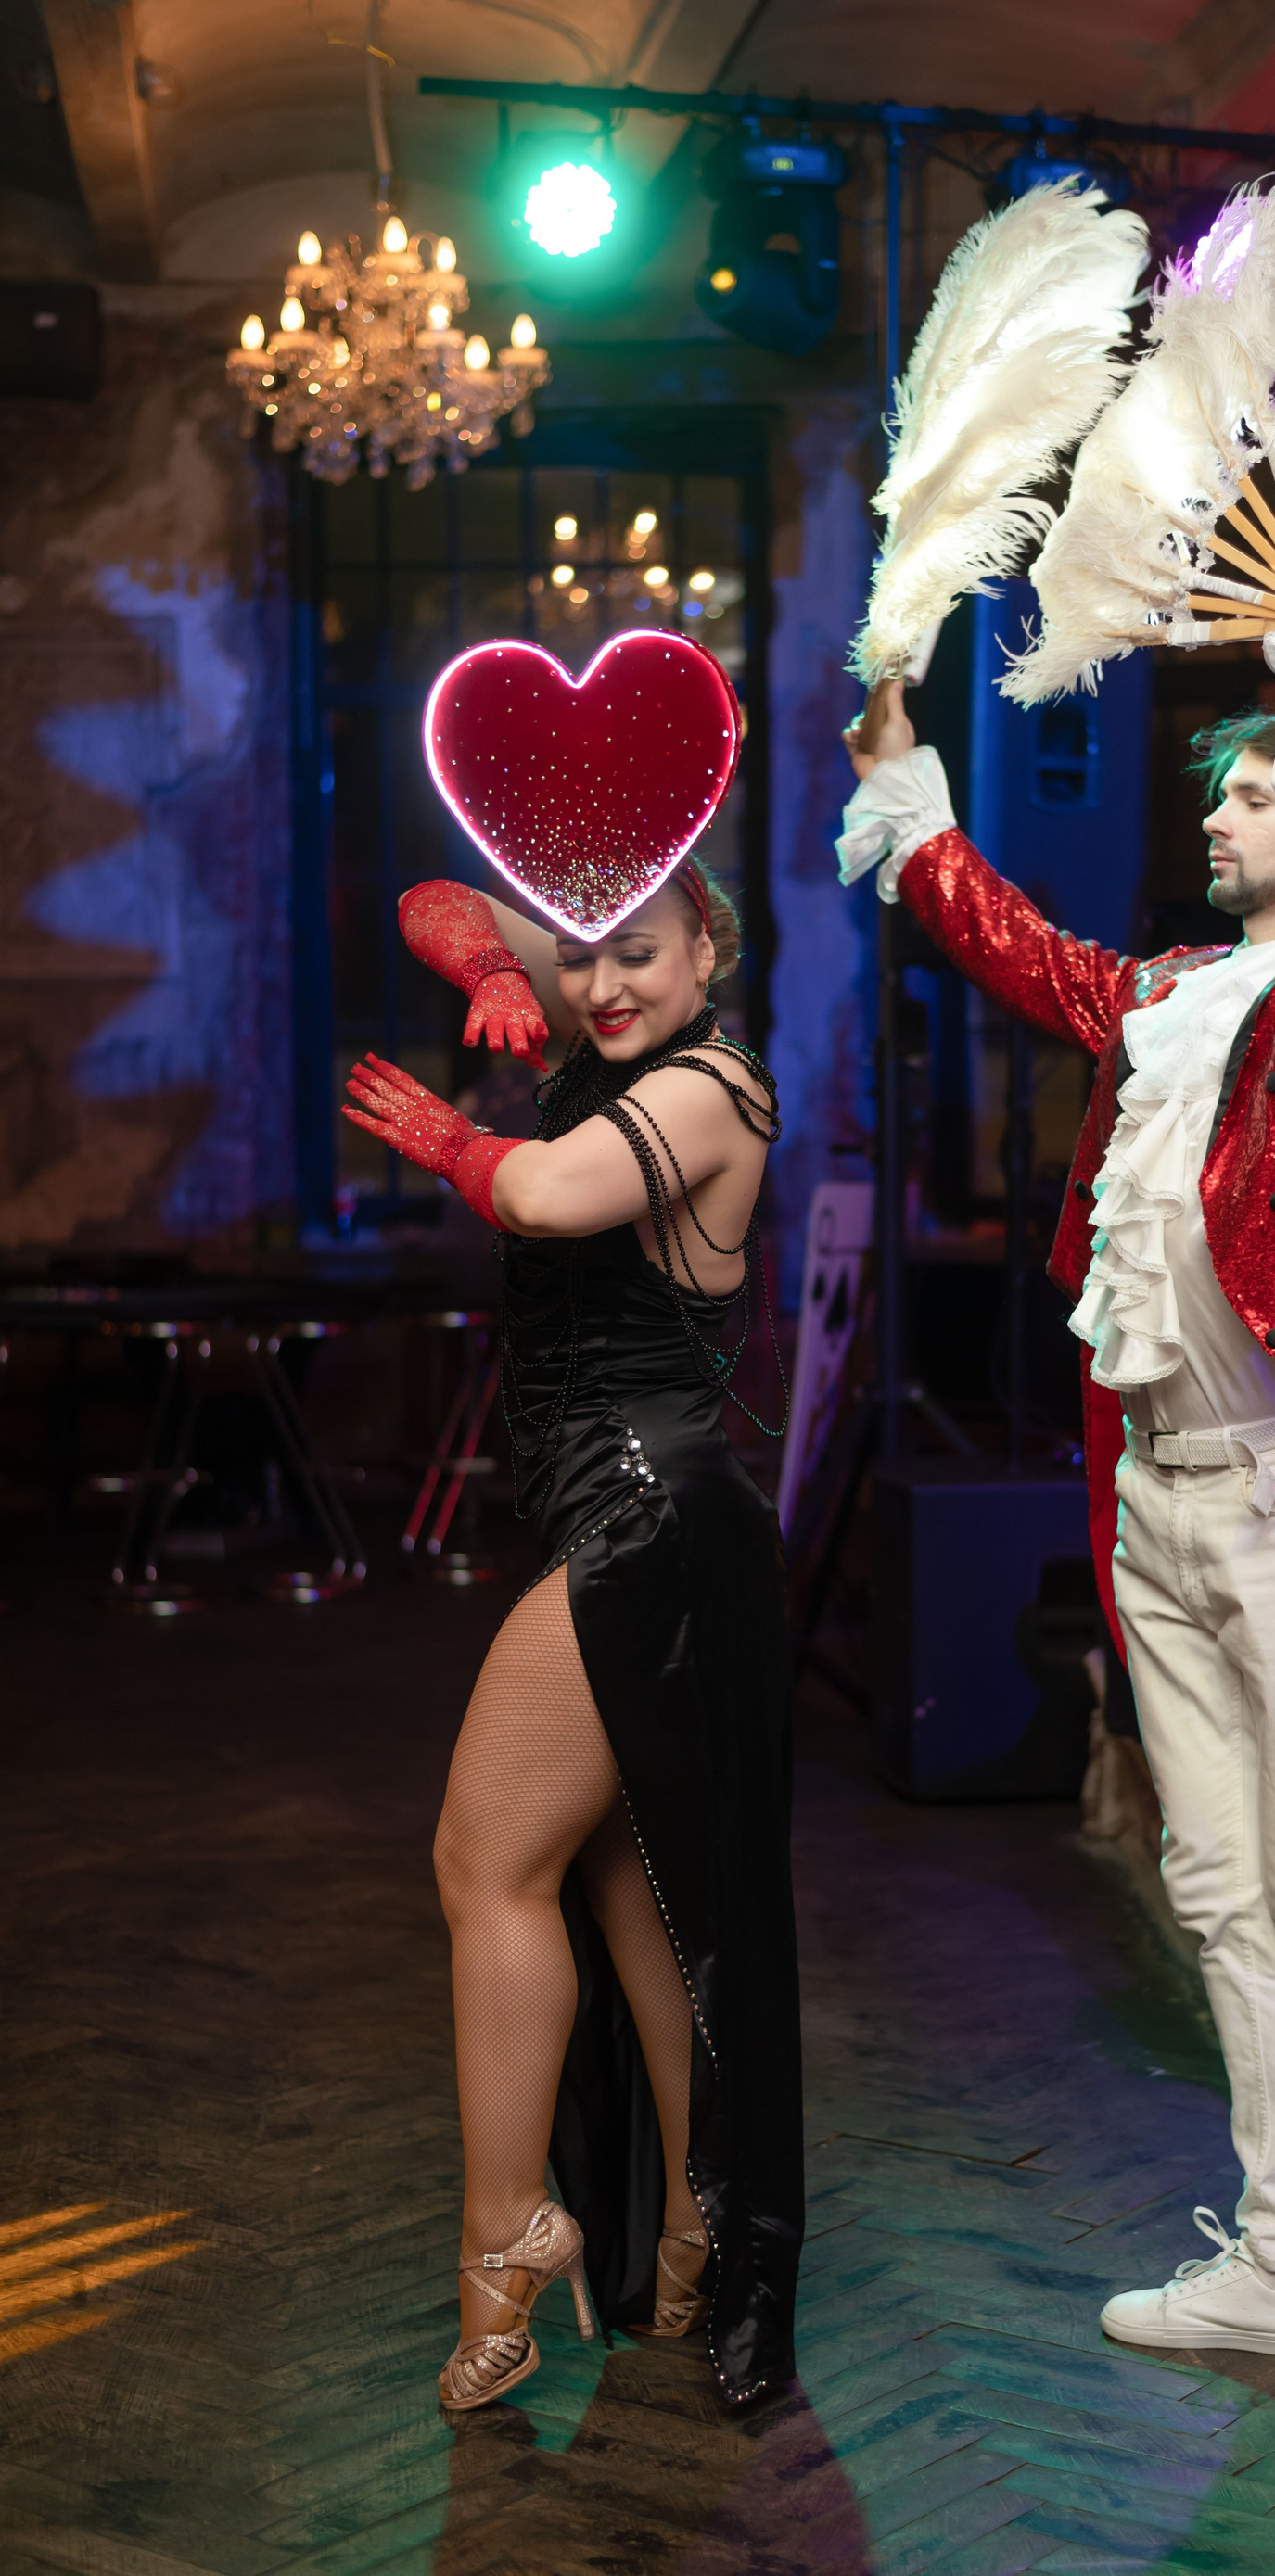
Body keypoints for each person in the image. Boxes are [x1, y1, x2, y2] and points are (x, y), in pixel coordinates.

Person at [838, 552, 1275, 2362]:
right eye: (1221, 792)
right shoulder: (1169, 996)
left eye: (1253, 792)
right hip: (1155, 1504)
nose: (1215, 813)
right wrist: (910, 787)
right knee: (1213, 1889)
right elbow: (1021, 950)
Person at [341, 857, 802, 2409]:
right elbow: (427, 897)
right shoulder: (607, 1016)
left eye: (641, 954)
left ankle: (511, 2228)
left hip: (650, 1525)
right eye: (583, 955)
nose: (602, 984)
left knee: (481, 1863)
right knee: (635, 1896)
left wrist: (450, 1139)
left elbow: (541, 1194)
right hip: (614, 1519)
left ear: (709, 951)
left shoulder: (717, 1087)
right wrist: (494, 964)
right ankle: (693, 2222)